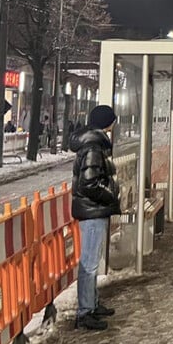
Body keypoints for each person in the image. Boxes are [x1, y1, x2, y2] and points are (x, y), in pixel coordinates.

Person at [70, 105, 121, 331]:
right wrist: (110, 195)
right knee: (89, 263)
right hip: (92, 209)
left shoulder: (93, 144)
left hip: (92, 209)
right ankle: (85, 312)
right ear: (107, 123)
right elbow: (89, 183)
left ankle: (92, 303)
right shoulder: (93, 147)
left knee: (92, 261)